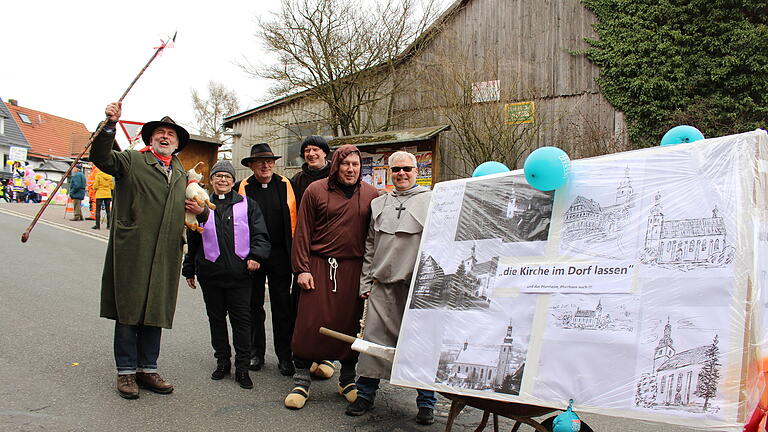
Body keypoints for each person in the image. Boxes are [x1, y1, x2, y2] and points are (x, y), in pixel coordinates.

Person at [89, 101, 205, 399]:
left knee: (156, 309)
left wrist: (199, 211)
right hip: (134, 248)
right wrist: (109, 125)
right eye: (161, 133)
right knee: (129, 308)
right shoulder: (131, 161)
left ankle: (147, 368)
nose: (166, 137)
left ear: (178, 144)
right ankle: (126, 373)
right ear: (150, 138)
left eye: (171, 135)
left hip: (167, 250)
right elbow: (101, 156)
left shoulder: (181, 173)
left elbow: (197, 211)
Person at [344, 151, 436, 424]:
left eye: (407, 168)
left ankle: (426, 402)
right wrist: (366, 281)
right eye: (396, 169)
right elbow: (370, 246)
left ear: (416, 170)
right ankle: (365, 395)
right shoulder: (379, 203)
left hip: (415, 289)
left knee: (420, 345)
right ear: (390, 171)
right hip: (381, 286)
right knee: (373, 343)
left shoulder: (432, 201)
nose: (401, 174)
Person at [284, 144, 379, 410]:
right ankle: (301, 379)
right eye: (345, 163)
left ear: (361, 167)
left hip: (354, 269)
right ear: (335, 164)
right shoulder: (316, 190)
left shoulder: (372, 194)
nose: (350, 169)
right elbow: (302, 231)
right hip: (318, 265)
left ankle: (347, 379)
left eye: (355, 164)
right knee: (309, 322)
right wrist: (301, 268)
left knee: (350, 324)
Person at [183, 160, 271, 389]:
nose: (222, 180)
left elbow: (260, 235)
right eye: (218, 176)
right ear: (211, 180)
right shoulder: (202, 204)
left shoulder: (247, 205)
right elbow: (193, 238)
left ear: (233, 181)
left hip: (240, 275)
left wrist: (256, 256)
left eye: (227, 177)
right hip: (210, 274)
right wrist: (189, 268)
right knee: (216, 321)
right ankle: (222, 362)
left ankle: (242, 368)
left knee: (242, 322)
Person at [236, 143, 297, 376]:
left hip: (281, 255)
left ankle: (285, 355)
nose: (266, 165)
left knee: (283, 307)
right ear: (251, 165)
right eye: (260, 161)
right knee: (252, 305)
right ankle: (255, 353)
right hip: (252, 256)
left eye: (270, 161)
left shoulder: (286, 185)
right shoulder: (242, 187)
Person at [289, 135, 336, 380]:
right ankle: (302, 354)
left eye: (315, 149)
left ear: (325, 153)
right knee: (303, 303)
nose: (311, 154)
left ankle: (325, 354)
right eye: (307, 150)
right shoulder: (298, 180)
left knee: (328, 303)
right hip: (303, 243)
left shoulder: (335, 177)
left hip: (329, 247)